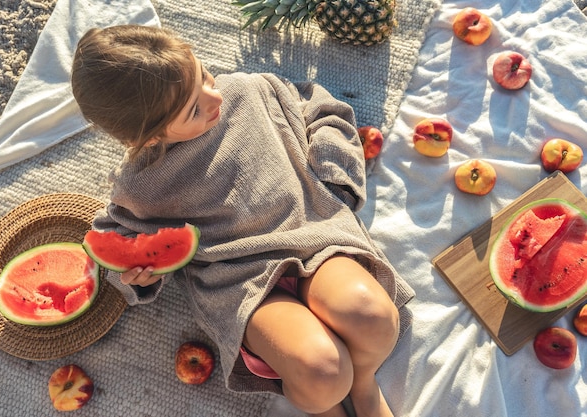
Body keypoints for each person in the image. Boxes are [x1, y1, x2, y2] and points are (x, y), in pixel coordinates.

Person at [71, 24, 414, 417]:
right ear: (148, 139)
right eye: (193, 110)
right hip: (241, 284)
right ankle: (329, 407)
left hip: (315, 234)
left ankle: (365, 384)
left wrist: (335, 175)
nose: (214, 97)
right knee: (322, 373)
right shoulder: (139, 186)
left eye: (203, 76)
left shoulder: (253, 89)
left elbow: (320, 107)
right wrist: (137, 275)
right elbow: (110, 237)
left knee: (374, 318)